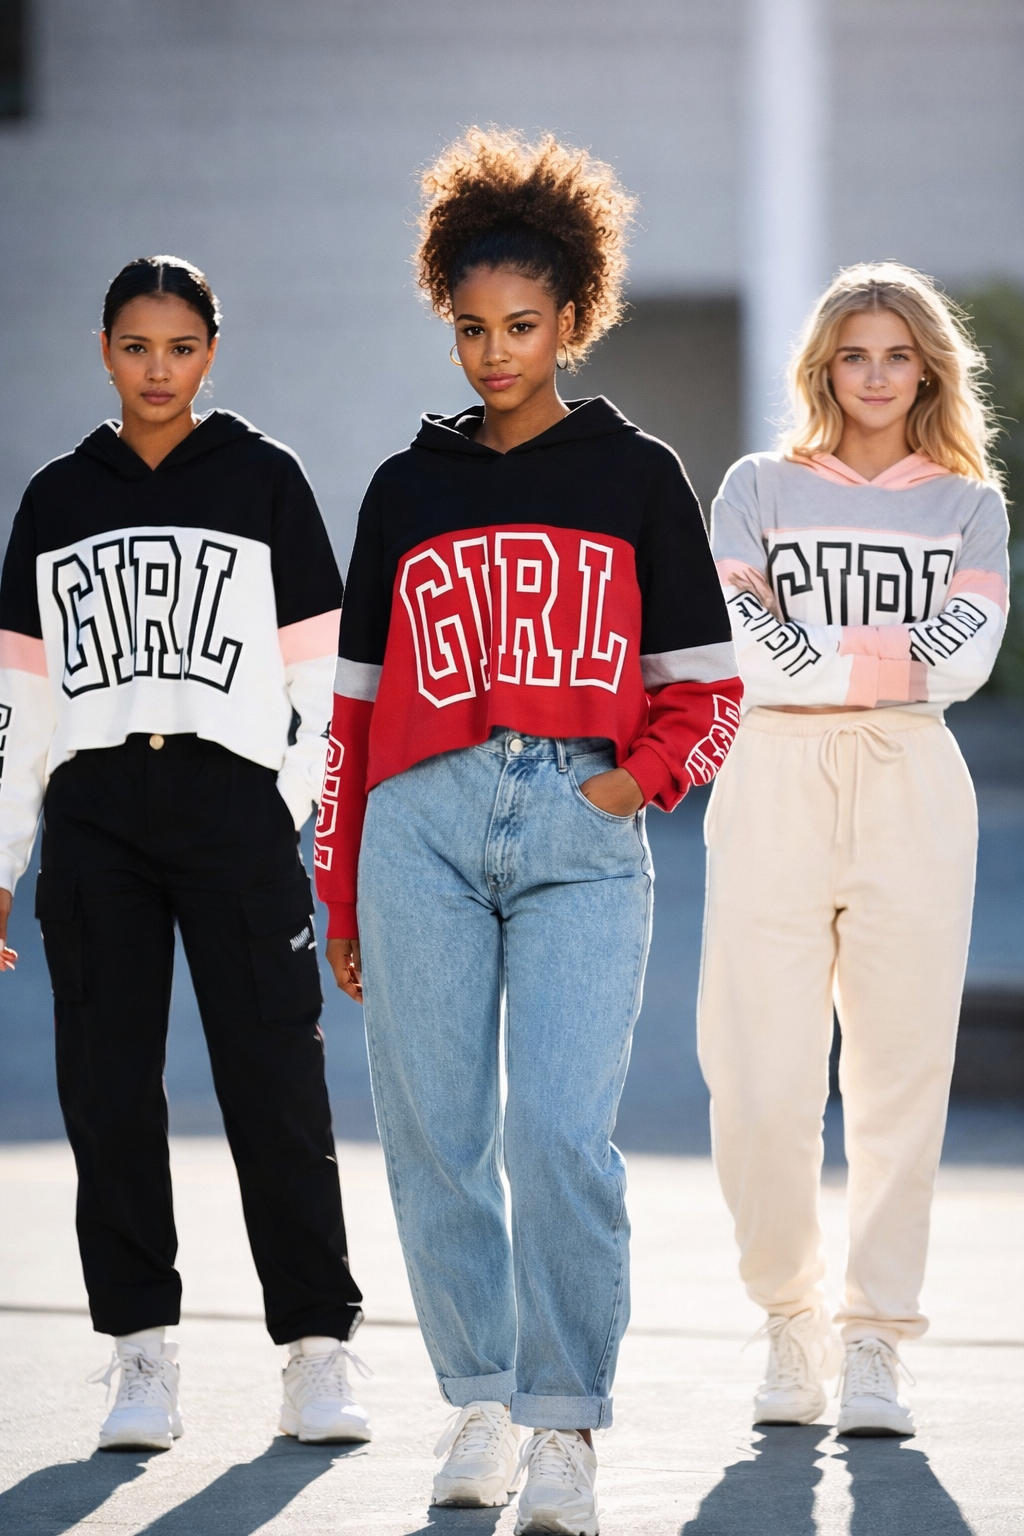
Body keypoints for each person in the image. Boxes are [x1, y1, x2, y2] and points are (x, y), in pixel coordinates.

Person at [313, 128, 742, 1534]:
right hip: (418, 829)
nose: (494, 355)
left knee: (559, 1135)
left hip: (577, 831)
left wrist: (626, 789)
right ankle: (482, 1402)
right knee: (438, 1136)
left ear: (573, 319)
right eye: (469, 330)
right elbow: (354, 716)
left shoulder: (635, 474)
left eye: (521, 327)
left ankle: (566, 1426)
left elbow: (708, 693)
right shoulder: (406, 489)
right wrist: (344, 890)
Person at [0, 256, 371, 1452]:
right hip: (98, 815)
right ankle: (140, 1357)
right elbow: (22, 705)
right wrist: (2, 860)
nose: (157, 370)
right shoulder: (58, 497)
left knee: (275, 1080)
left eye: (180, 347)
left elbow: (319, 678)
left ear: (211, 352)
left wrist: (298, 823)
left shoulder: (265, 481)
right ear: (103, 351)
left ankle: (317, 1354)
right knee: (106, 1094)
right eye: (134, 347)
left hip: (234, 809)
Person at [699, 262, 1009, 1437]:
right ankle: (790, 1319)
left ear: (925, 366)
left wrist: (822, 647)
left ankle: (874, 1336)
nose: (874, 377)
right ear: (821, 367)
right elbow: (748, 650)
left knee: (897, 1080)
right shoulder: (757, 487)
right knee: (760, 1080)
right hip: (773, 775)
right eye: (852, 355)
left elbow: (965, 657)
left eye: (895, 355)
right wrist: (880, 650)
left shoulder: (968, 505)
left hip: (911, 784)